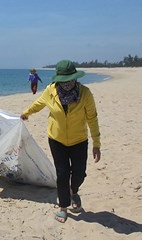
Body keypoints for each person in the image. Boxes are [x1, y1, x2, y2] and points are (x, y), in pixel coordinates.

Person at [20, 60, 101, 223]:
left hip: (79, 139)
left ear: (75, 77)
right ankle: (63, 207)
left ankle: (73, 190)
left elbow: (92, 118)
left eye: (69, 78)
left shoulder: (85, 93)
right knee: (62, 173)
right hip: (56, 140)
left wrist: (96, 143)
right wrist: (26, 113)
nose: (66, 83)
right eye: (63, 79)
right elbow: (39, 103)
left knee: (79, 173)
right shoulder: (51, 90)